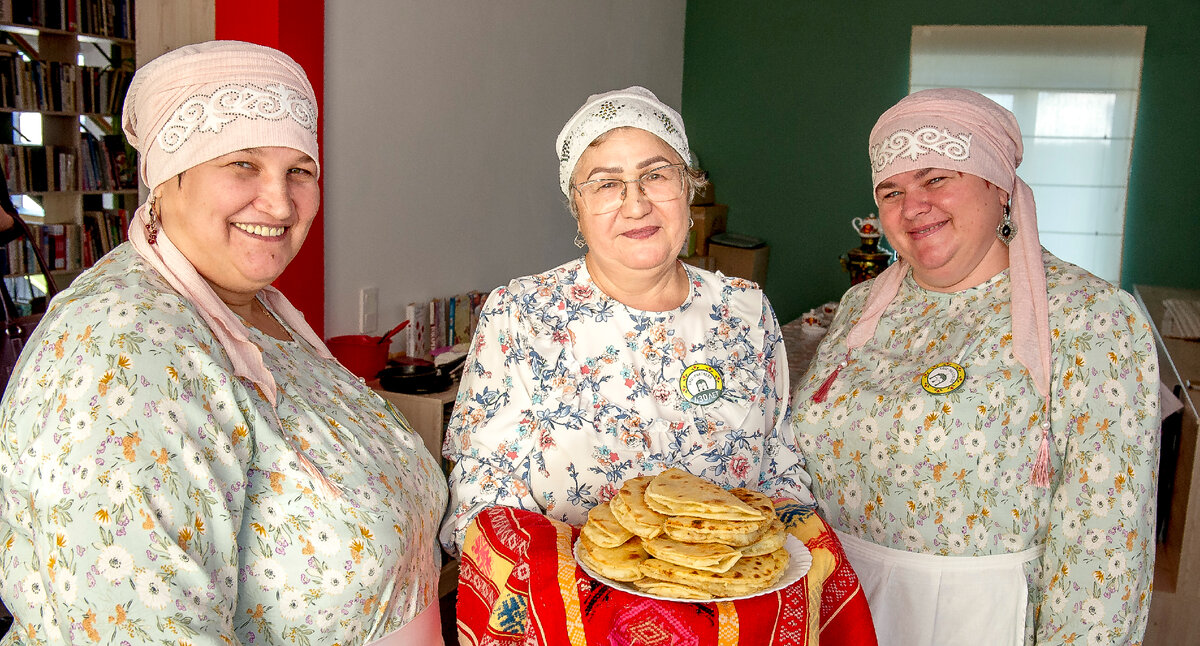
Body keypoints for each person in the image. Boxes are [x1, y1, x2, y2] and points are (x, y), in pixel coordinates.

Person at [0, 41, 448, 644]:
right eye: (242, 164)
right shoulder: (127, 352)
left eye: (300, 170)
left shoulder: (258, 310)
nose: (280, 201)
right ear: (164, 179)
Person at [792, 88, 1159, 645]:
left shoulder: (1091, 319)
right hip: (834, 604)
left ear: (999, 187)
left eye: (937, 178)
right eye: (891, 190)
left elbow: (1105, 545)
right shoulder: (861, 305)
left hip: (971, 620)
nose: (912, 206)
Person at [439, 86, 812, 555]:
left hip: (735, 605)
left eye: (656, 175)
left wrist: (789, 557)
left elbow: (779, 465)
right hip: (573, 613)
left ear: (689, 189)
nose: (635, 204)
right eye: (606, 183)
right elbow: (483, 497)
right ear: (578, 209)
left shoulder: (745, 310)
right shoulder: (521, 316)